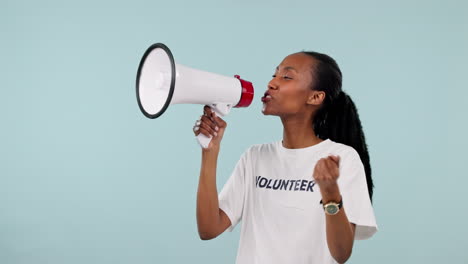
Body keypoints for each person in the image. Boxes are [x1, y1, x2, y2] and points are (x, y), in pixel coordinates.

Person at [193, 51, 378, 264]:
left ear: (315, 97)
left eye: (286, 77)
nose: (272, 83)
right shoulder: (255, 157)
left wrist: (330, 193)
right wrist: (210, 152)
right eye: (274, 75)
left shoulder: (343, 158)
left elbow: (341, 253)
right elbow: (208, 229)